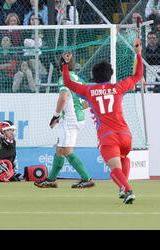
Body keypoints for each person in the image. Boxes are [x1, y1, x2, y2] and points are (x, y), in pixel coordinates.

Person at [59, 42, 143, 204]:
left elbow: (68, 84)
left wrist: (65, 65)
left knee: (113, 171)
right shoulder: (118, 87)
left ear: (94, 76)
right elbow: (137, 75)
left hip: (107, 136)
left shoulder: (89, 90)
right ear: (110, 75)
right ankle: (123, 188)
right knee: (124, 157)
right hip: (126, 135)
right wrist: (138, 54)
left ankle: (128, 190)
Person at [34, 54, 95, 189]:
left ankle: (87, 179)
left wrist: (56, 115)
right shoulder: (80, 80)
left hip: (70, 120)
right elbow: (87, 102)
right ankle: (51, 180)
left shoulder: (64, 79)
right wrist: (70, 112)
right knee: (60, 150)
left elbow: (63, 98)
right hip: (75, 118)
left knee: (67, 150)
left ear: (61, 66)